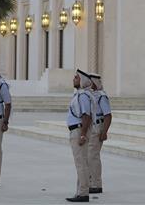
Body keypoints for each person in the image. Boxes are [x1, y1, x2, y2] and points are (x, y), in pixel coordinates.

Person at [65, 69, 94, 203]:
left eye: (76, 78)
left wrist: (82, 135)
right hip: (76, 130)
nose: (73, 79)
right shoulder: (80, 95)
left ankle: (83, 193)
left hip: (78, 130)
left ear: (82, 81)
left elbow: (86, 116)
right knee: (81, 163)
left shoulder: (82, 96)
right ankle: (80, 191)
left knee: (81, 163)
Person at [87, 73, 111, 195]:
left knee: (93, 157)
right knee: (89, 157)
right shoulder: (91, 96)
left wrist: (104, 132)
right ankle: (91, 182)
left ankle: (96, 184)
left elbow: (108, 115)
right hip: (92, 128)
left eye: (91, 81)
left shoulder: (101, 96)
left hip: (98, 127)